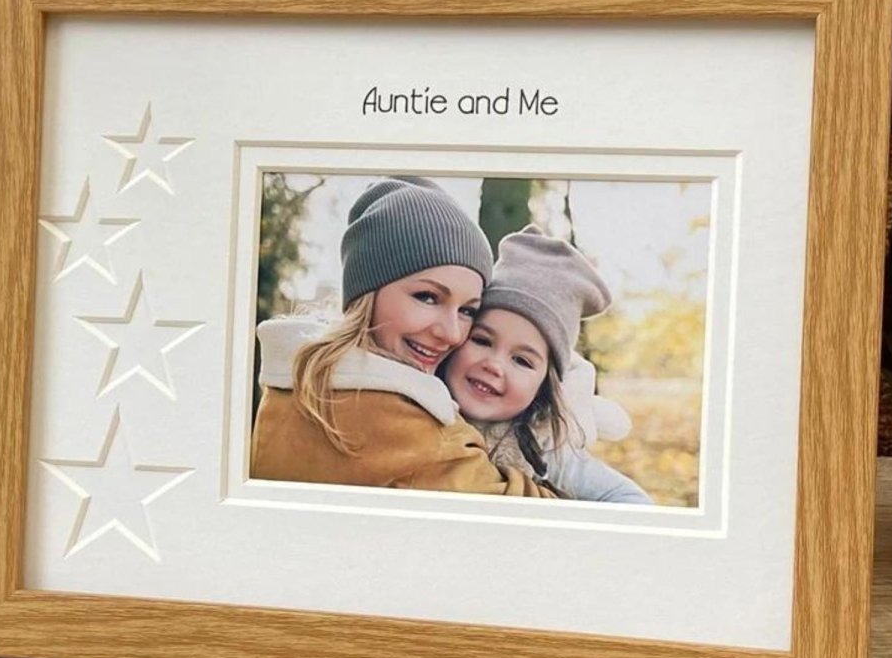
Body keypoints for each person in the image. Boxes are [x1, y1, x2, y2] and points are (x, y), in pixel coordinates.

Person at [251, 177, 556, 497]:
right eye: (427, 297)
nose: (451, 333)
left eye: (467, 311)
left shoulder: (296, 379)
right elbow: (534, 517)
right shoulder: (399, 424)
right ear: (366, 292)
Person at [441, 225, 653, 504]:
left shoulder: (545, 446)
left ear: (544, 384)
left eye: (522, 360)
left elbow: (631, 500)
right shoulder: (418, 405)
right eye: (482, 340)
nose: (494, 365)